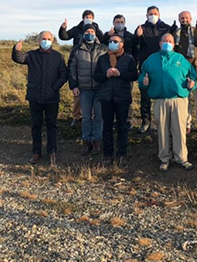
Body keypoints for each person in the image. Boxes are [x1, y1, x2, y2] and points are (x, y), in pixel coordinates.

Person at [139, 33, 197, 171]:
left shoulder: (180, 59)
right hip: (160, 100)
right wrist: (143, 81)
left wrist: (192, 84)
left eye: (170, 41)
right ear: (160, 43)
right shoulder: (151, 60)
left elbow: (192, 75)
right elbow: (142, 77)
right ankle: (164, 158)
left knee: (179, 130)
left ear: (174, 44)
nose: (167, 43)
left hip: (178, 100)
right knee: (162, 130)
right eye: (165, 41)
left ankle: (182, 158)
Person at [11, 31, 68, 166]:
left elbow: (64, 74)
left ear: (52, 41)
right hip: (35, 96)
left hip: (52, 98)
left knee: (51, 126)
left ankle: (52, 152)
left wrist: (55, 87)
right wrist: (16, 50)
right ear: (38, 41)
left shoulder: (58, 57)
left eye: (48, 39)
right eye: (43, 39)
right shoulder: (32, 55)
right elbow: (19, 59)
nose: (45, 41)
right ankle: (36, 153)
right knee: (36, 126)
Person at [94, 34, 138, 167]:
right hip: (106, 97)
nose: (112, 43)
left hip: (122, 97)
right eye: (111, 41)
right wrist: (106, 75)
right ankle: (108, 154)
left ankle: (122, 154)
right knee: (106, 127)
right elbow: (96, 76)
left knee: (122, 127)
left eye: (116, 41)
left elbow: (134, 75)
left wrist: (120, 74)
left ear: (122, 44)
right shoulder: (102, 59)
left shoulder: (129, 58)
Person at [134, 6, 176, 132]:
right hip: (146, 65)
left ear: (159, 14)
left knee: (162, 95)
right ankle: (146, 121)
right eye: (150, 14)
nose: (153, 15)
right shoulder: (141, 28)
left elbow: (172, 44)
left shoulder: (166, 27)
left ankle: (163, 123)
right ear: (146, 15)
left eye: (155, 13)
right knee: (145, 96)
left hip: (163, 66)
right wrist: (137, 36)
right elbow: (134, 46)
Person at [68, 25, 108, 156]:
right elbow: (71, 68)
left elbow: (108, 66)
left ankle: (97, 140)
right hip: (84, 89)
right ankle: (86, 141)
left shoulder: (103, 48)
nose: (90, 33)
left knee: (99, 116)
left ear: (96, 34)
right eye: (87, 31)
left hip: (100, 88)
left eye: (92, 31)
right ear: (83, 34)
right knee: (85, 117)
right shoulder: (77, 50)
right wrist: (74, 85)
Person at [59, 10, 103, 126]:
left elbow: (103, 41)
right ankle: (76, 116)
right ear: (82, 18)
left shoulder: (97, 29)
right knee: (78, 95)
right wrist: (63, 29)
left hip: (93, 62)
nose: (88, 18)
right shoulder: (76, 29)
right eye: (86, 17)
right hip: (79, 59)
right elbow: (64, 37)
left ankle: (92, 117)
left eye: (90, 17)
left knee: (94, 98)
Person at [173, 11, 197, 135]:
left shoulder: (196, 32)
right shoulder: (176, 33)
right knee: (184, 99)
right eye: (182, 18)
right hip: (182, 70)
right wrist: (170, 32)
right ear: (179, 19)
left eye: (186, 18)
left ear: (191, 19)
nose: (184, 20)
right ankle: (186, 123)